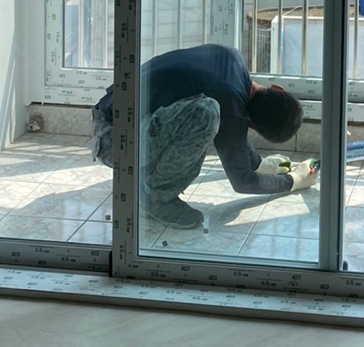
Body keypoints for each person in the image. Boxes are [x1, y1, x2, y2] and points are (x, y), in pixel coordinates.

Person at [91, 43, 317, 229]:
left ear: (277, 88)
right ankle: (155, 198)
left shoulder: (232, 58)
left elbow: (235, 138)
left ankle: (146, 178)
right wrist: (293, 181)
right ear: (250, 124)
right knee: (205, 114)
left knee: (206, 112)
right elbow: (242, 181)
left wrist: (260, 164)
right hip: (113, 140)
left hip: (115, 118)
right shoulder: (228, 103)